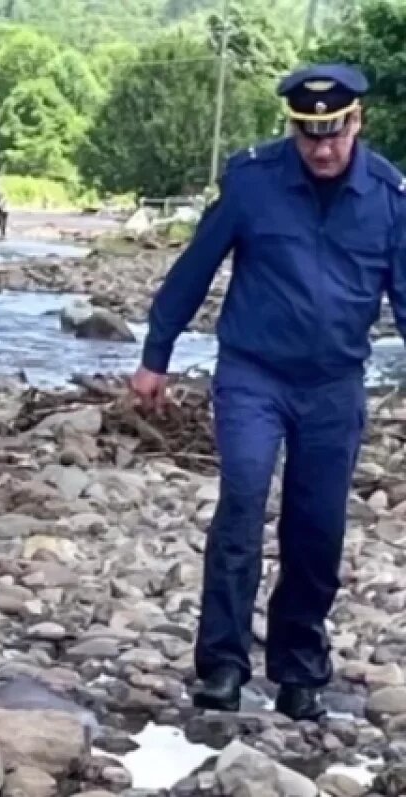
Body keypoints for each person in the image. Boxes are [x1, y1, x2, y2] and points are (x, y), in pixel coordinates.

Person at [130, 63, 406, 721]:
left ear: (356, 122)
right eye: (309, 135)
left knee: (317, 527)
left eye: (333, 133)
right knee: (244, 502)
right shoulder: (253, 182)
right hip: (253, 375)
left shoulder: (390, 197)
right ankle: (223, 665)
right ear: (294, 127)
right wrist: (154, 358)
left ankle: (299, 669)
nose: (322, 148)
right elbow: (193, 270)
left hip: (335, 385)